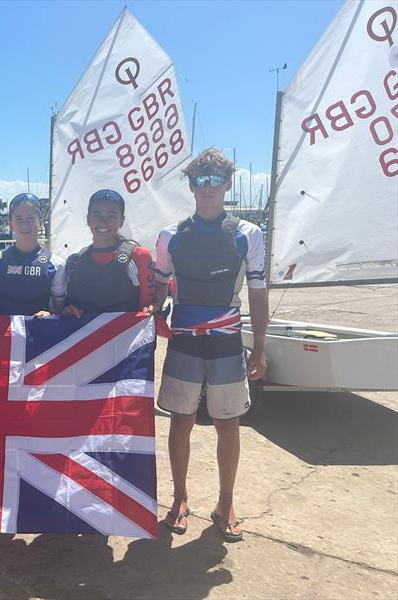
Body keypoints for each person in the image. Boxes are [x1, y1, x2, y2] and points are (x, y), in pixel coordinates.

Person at [150, 148, 268, 542]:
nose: (207, 187)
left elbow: (258, 291)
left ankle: (225, 502)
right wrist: (153, 317)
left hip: (226, 342)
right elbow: (158, 285)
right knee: (180, 422)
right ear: (191, 186)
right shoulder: (170, 236)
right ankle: (179, 498)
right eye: (199, 180)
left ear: (228, 184)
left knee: (227, 424)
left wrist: (262, 346)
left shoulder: (247, 234)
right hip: (184, 340)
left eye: (215, 180)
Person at [61, 189, 155, 317]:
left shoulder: (140, 256)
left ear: (121, 221)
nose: (103, 221)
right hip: (86, 336)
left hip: (126, 335)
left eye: (111, 215)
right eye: (97, 215)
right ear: (88, 220)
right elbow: (68, 305)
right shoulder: (74, 261)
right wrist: (69, 309)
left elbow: (147, 312)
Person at [0, 193, 66, 316]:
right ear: (10, 225)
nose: (25, 225)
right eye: (18, 219)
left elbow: (59, 308)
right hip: (4, 332)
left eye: (31, 218)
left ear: (40, 222)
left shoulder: (56, 264)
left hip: (38, 331)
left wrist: (50, 314)